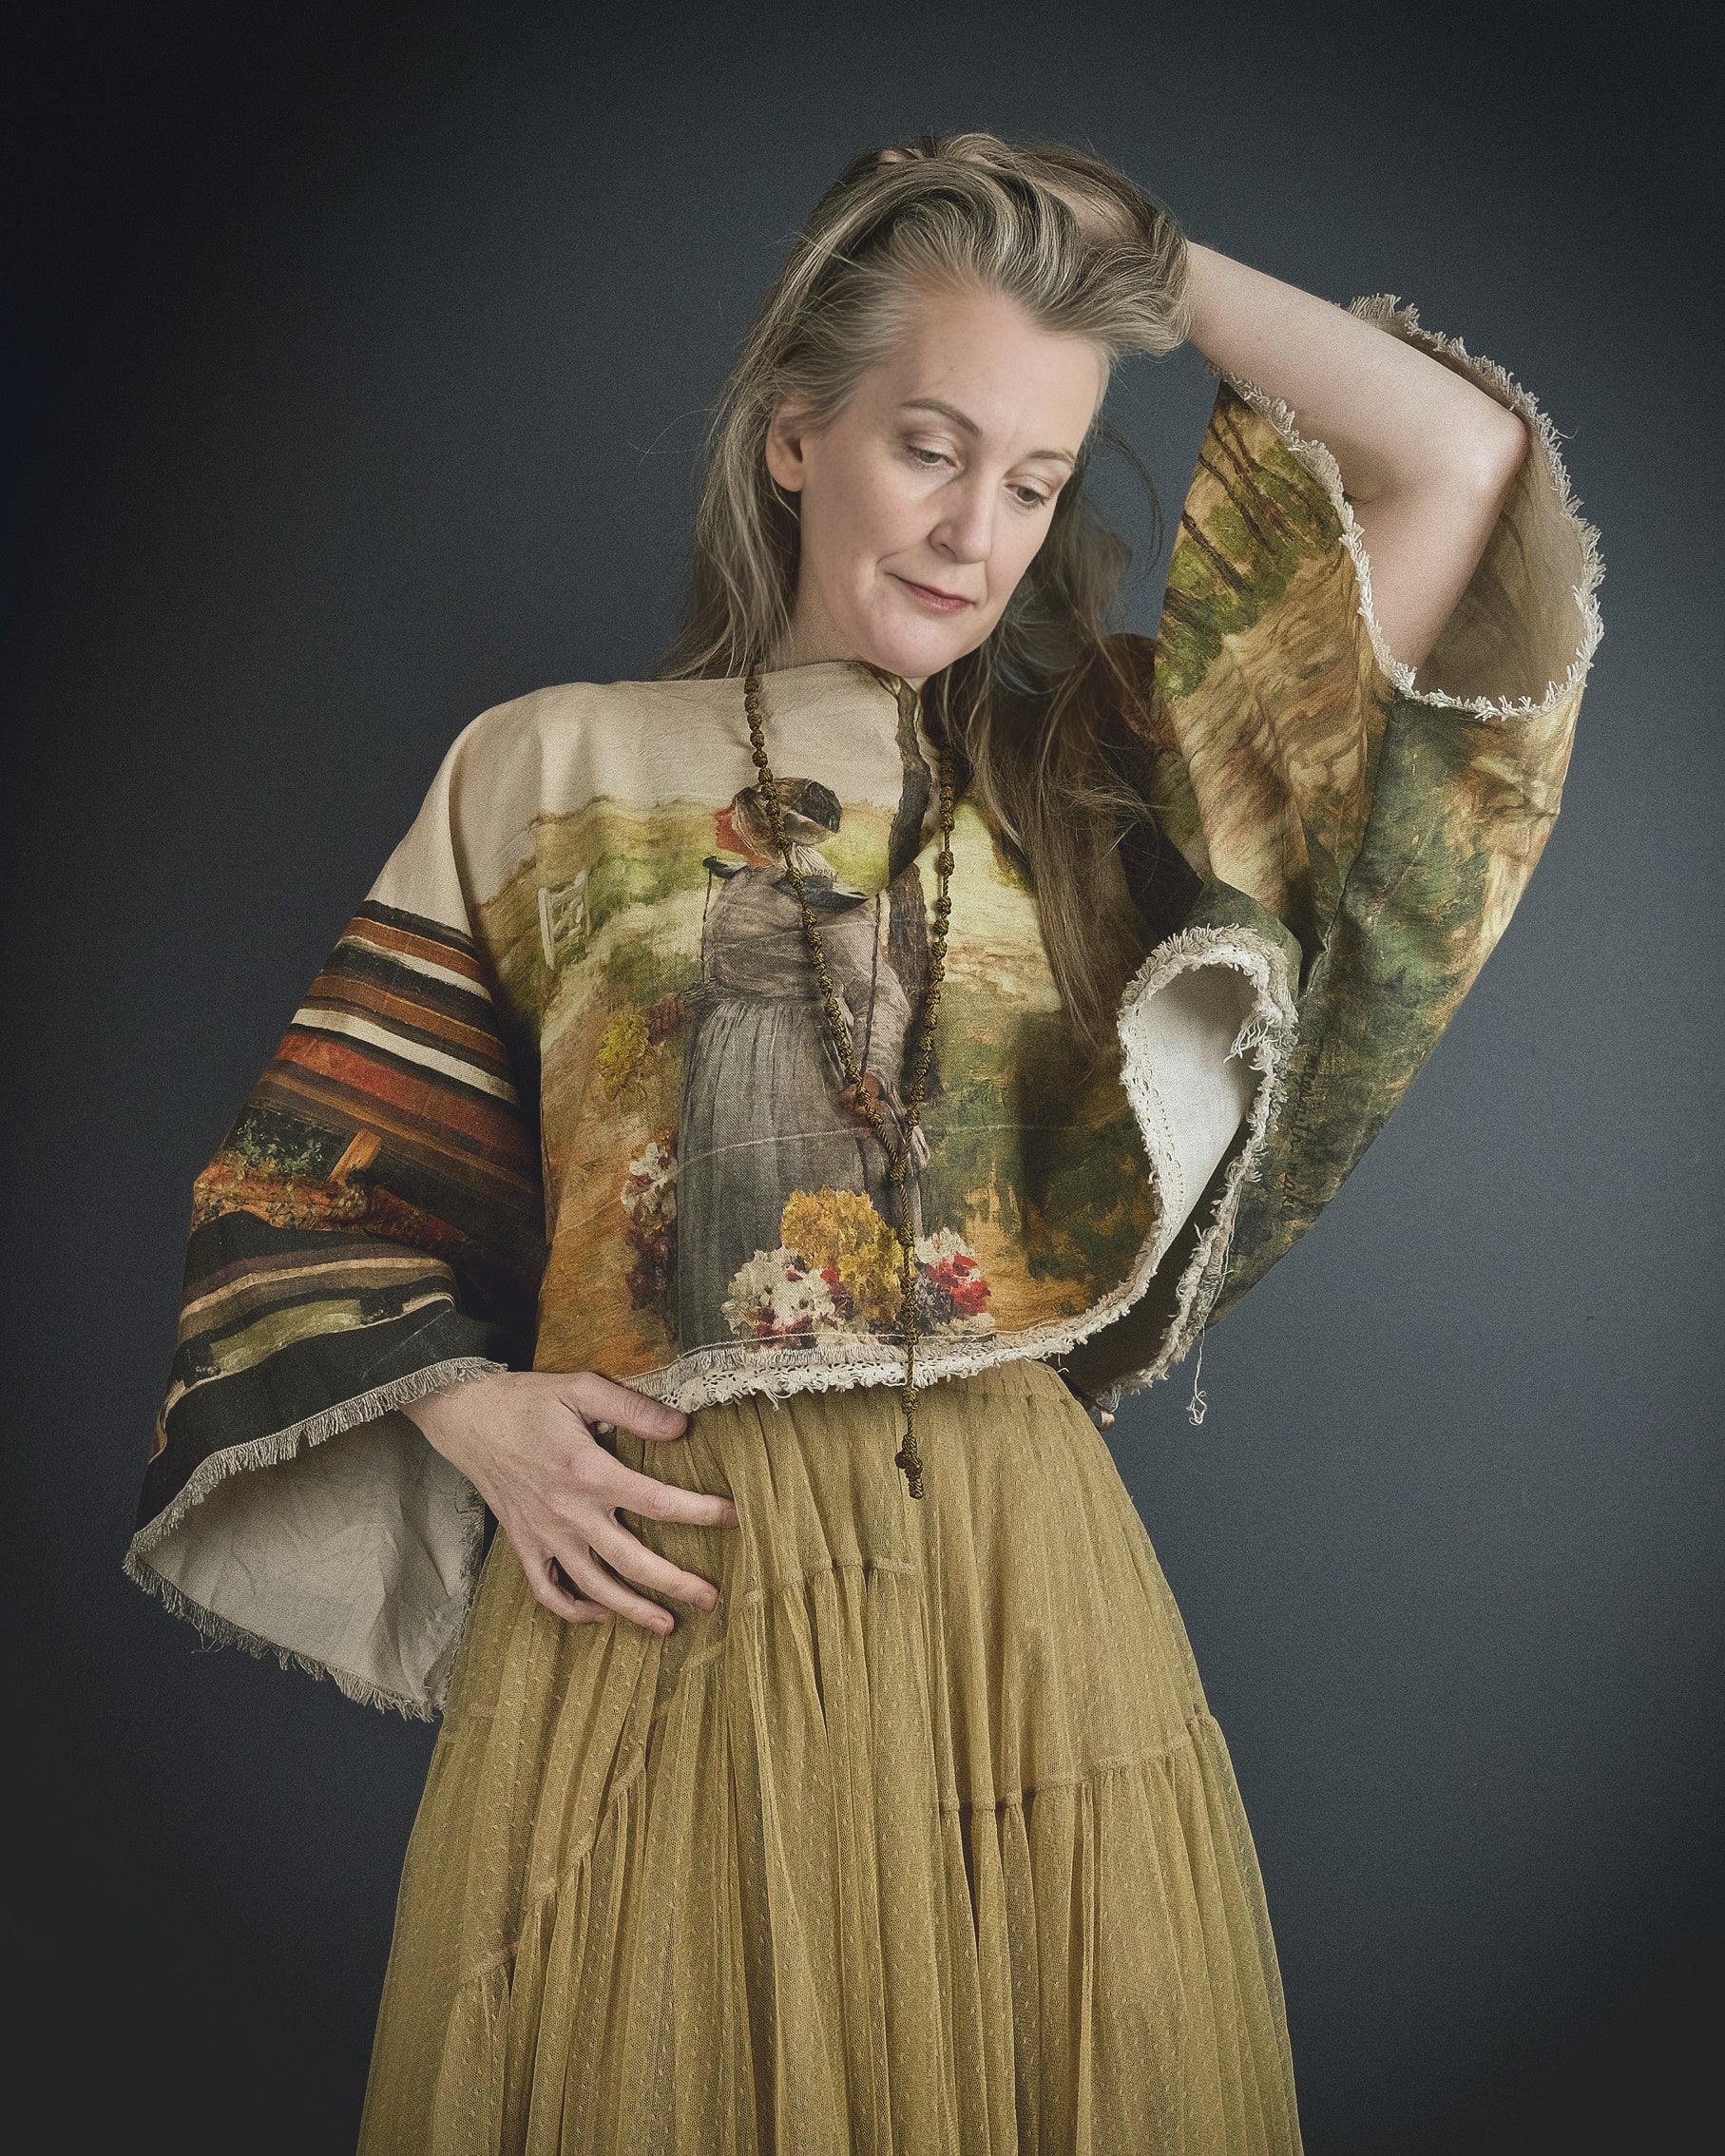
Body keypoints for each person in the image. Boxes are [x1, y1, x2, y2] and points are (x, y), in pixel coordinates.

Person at [124, 130, 1600, 2153]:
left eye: (1037, 479)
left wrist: (1138, 259)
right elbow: (298, 1187)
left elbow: (1454, 462)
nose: (976, 532)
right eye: (931, 446)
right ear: (795, 435)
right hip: (673, 1600)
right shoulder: (545, 769)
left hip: (1021, 1605)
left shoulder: (1104, 774)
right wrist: (475, 1413)